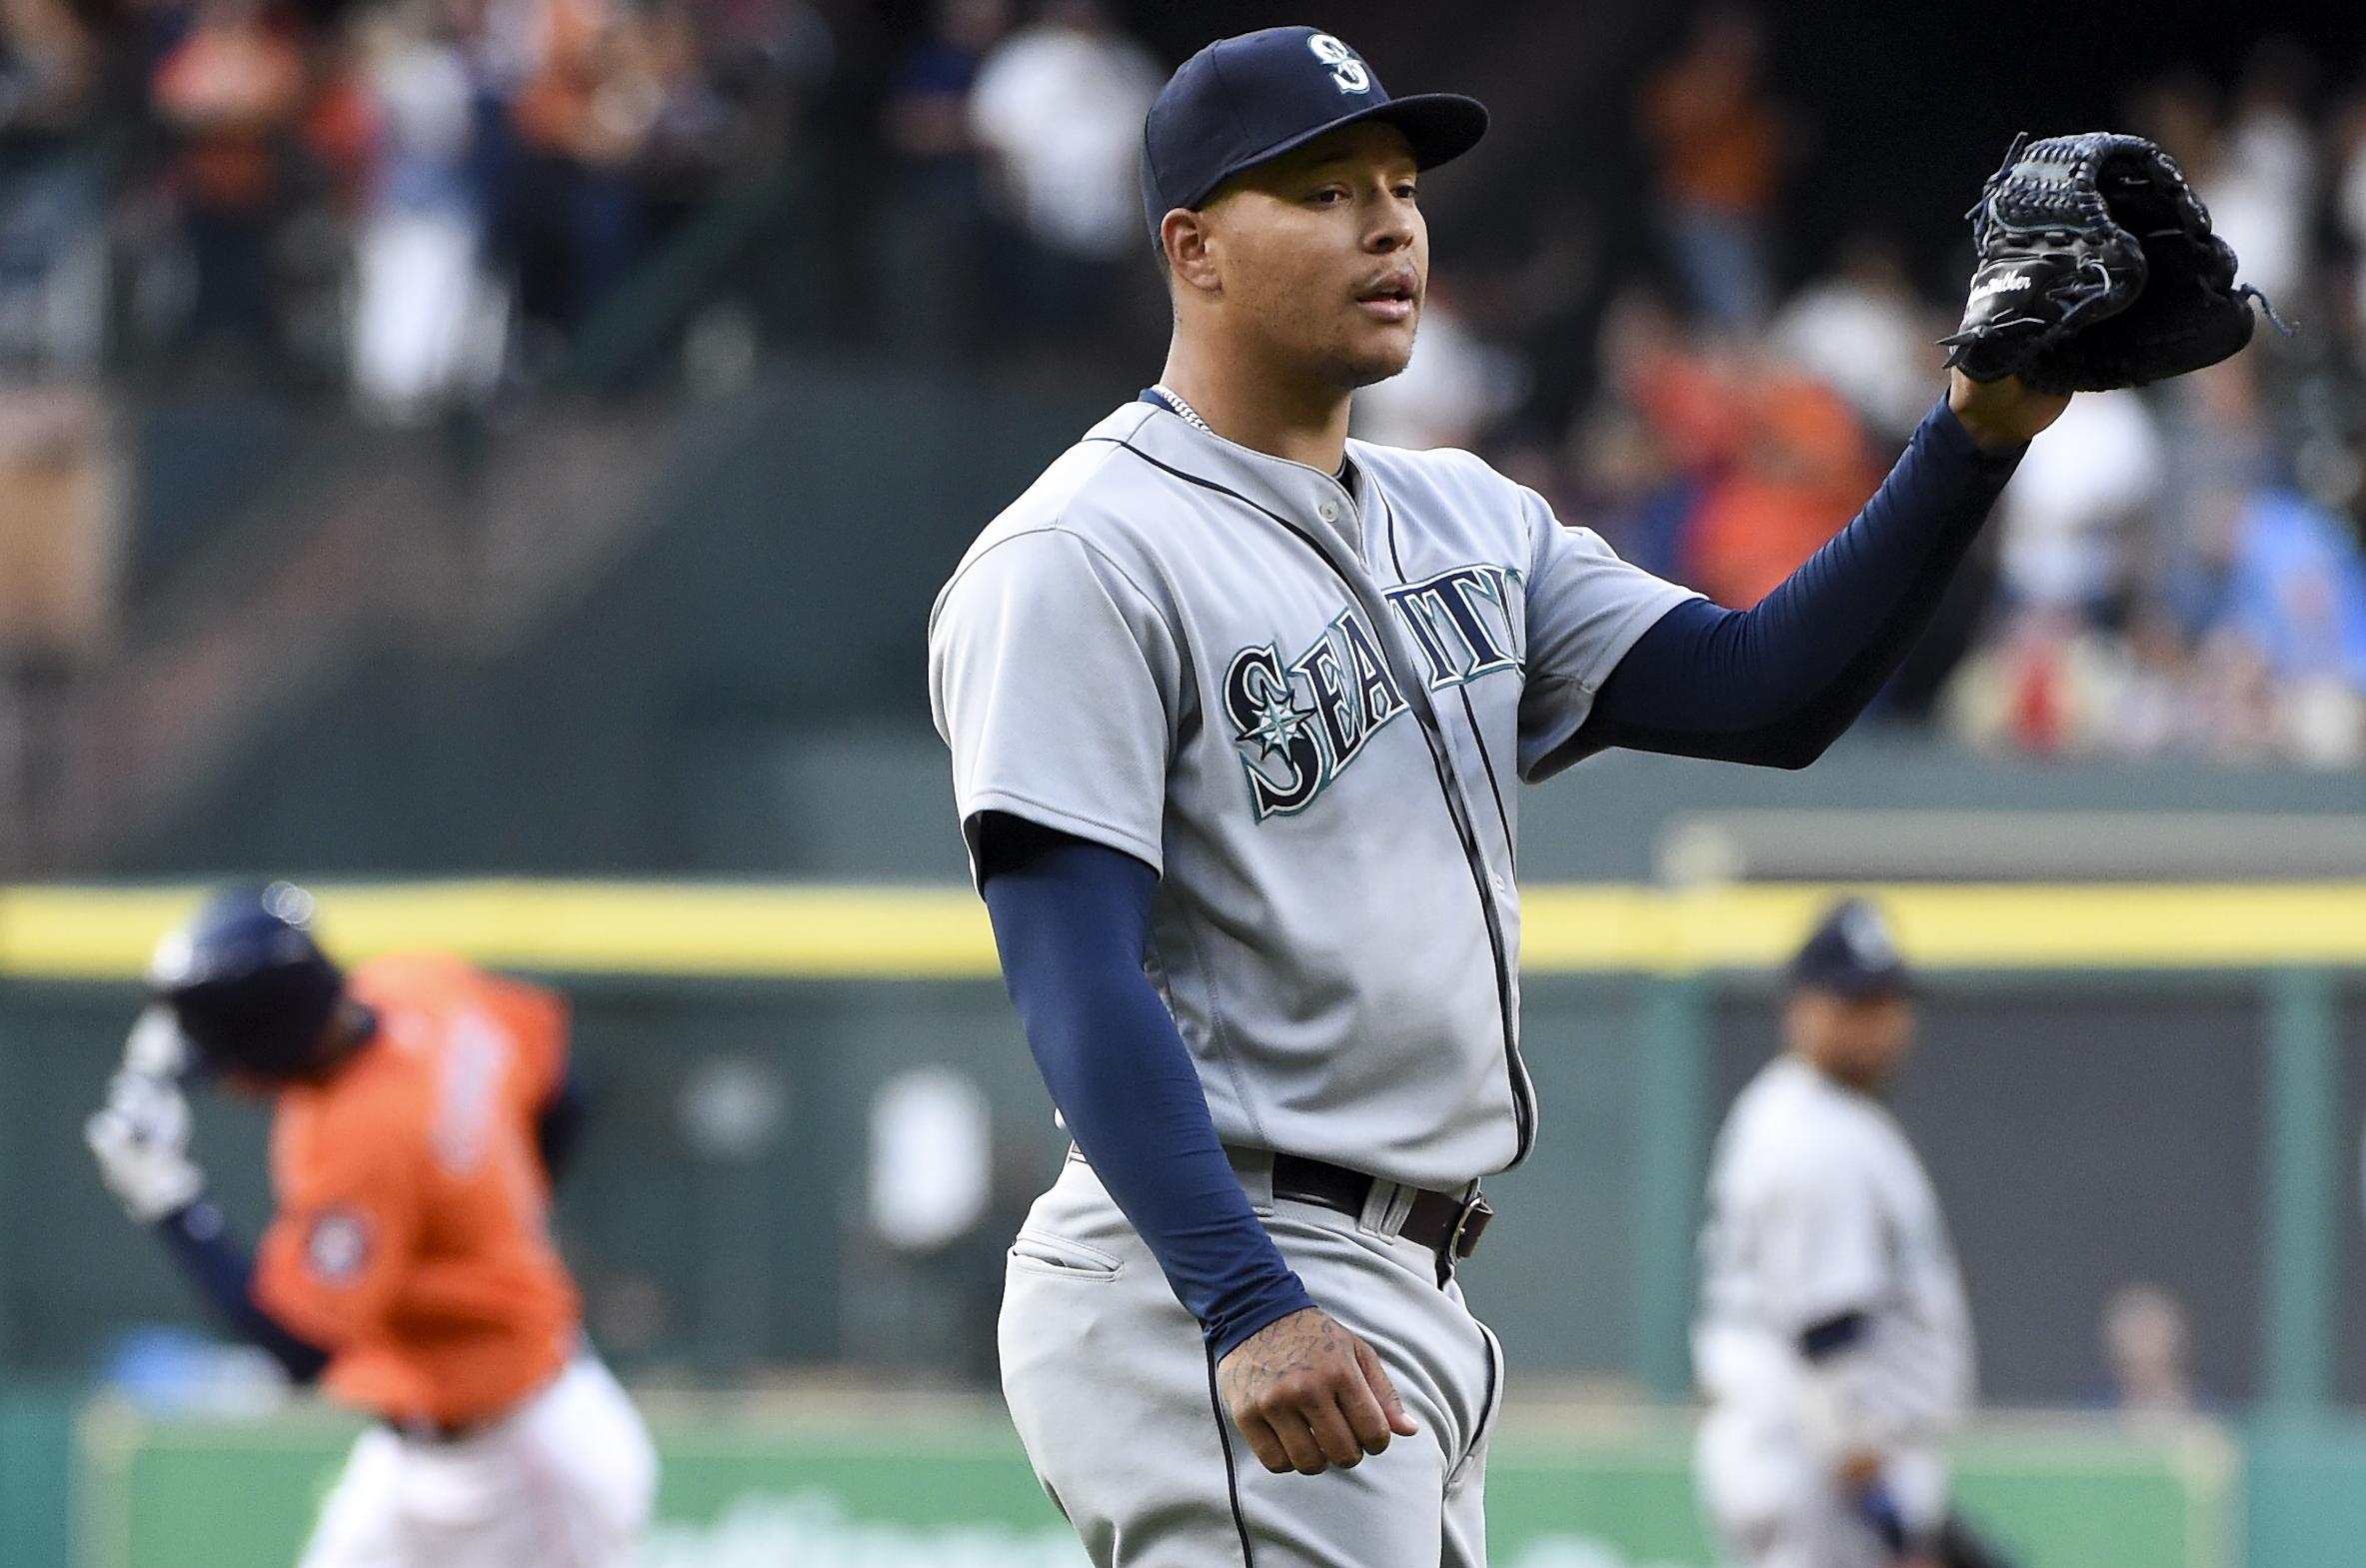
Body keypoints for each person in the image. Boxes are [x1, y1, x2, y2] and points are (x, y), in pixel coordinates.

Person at [927, 25, 2062, 1566]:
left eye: (1398, 187)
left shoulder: (1466, 513)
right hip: (1217, 1265)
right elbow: (1070, 976)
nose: (1387, 224)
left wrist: (1972, 433)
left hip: (1409, 1285)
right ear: (1191, 249)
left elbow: (1765, 691)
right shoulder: (1079, 554)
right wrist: (1243, 1300)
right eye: (1323, 191)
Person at [84, 882, 656, 1568]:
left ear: (275, 1040)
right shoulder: (416, 984)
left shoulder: (364, 1139)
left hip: (523, 1460)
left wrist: (170, 1202)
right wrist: (492, 1221)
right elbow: (564, 1093)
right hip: (421, 1449)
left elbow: (299, 1347)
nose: (230, 1080)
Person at [1692, 899, 1994, 1568]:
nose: (1879, 1026)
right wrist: (1888, 1519)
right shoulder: (1818, 1139)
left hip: (1806, 1464)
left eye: (1888, 1002)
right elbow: (1828, 1340)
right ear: (1801, 1008)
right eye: (1857, 1003)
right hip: (1824, 1478)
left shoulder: (1792, 1111)